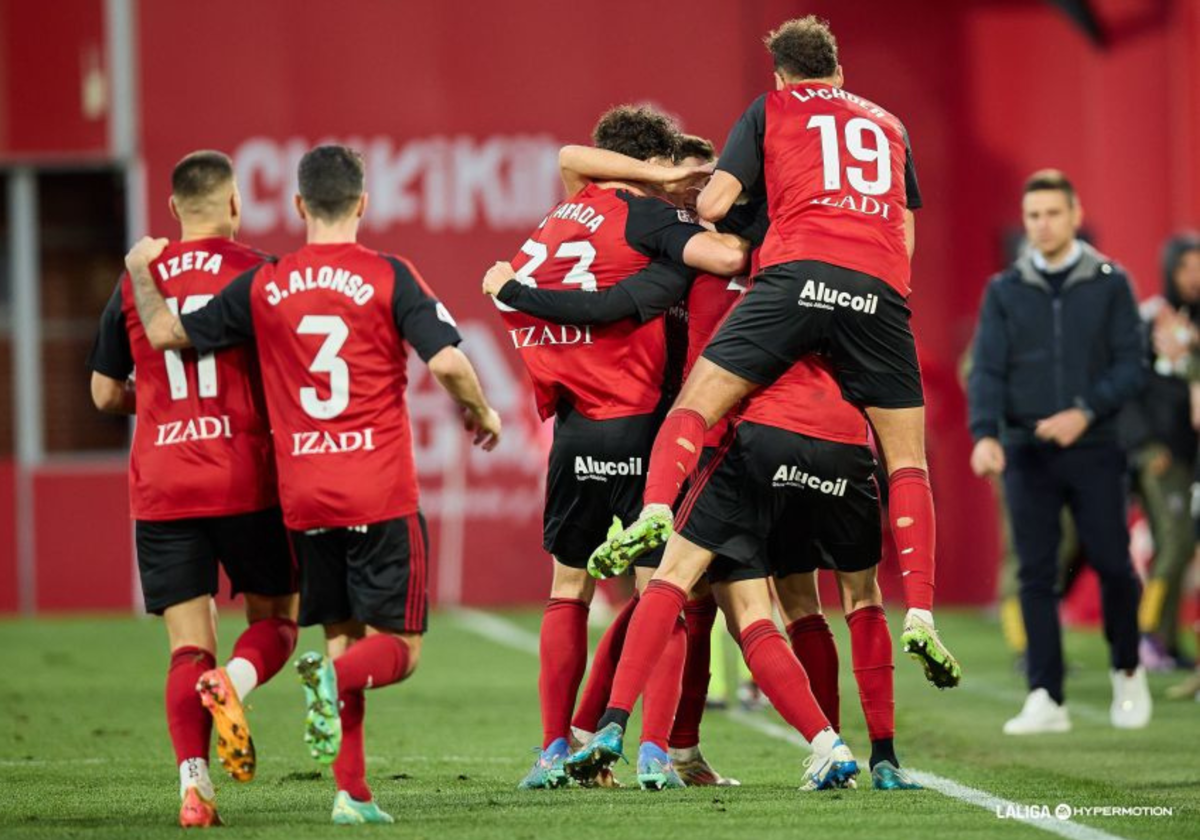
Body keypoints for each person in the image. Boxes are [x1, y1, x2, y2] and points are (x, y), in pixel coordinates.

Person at [123, 145, 502, 824]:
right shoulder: (390, 275)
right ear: (362, 203)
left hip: (304, 500)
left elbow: (163, 332)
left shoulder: (267, 284)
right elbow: (448, 361)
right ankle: (330, 686)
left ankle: (350, 792)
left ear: (299, 206)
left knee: (338, 634)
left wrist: (141, 274)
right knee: (399, 653)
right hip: (378, 492)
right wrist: (480, 410)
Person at [587, 16, 960, 690]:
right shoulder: (891, 125)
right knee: (908, 460)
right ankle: (925, 613)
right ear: (839, 70)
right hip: (878, 291)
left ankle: (654, 511)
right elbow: (903, 239)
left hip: (797, 275)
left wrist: (706, 189)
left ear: (782, 74)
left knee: (696, 401)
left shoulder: (772, 108)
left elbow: (719, 202)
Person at [490, 105, 749, 791]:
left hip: (573, 429)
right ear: (654, 166)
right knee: (661, 591)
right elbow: (725, 256)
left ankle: (551, 749)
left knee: (567, 588)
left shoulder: (567, 212)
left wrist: (509, 290)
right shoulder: (653, 220)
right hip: (645, 426)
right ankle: (655, 754)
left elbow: (572, 158)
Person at [87, 150, 299, 828]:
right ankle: (231, 684)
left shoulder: (136, 279)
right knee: (275, 622)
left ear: (175, 210)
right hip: (246, 478)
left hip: (164, 483)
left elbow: (99, 393)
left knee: (187, 646)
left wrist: (154, 400)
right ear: (234, 206)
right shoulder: (260, 274)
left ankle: (193, 788)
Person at [968, 169, 1150, 734]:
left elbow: (1131, 365)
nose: (1042, 225)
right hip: (1025, 449)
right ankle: (1046, 695)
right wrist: (985, 434)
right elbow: (988, 370)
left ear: (1074, 216)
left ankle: (1127, 669)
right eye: (1033, 216)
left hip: (1094, 446)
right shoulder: (1004, 290)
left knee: (1115, 565)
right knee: (1035, 574)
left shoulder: (1110, 282)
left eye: (1052, 213)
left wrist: (1084, 412)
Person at [1122, 233, 1200, 669]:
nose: (1194, 277)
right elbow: (1128, 388)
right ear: (1170, 269)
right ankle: (1146, 634)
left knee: (1182, 548)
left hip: (1192, 455)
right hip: (1160, 454)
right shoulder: (1150, 317)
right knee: (1176, 541)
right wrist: (1144, 444)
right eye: (1187, 267)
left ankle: (1168, 642)